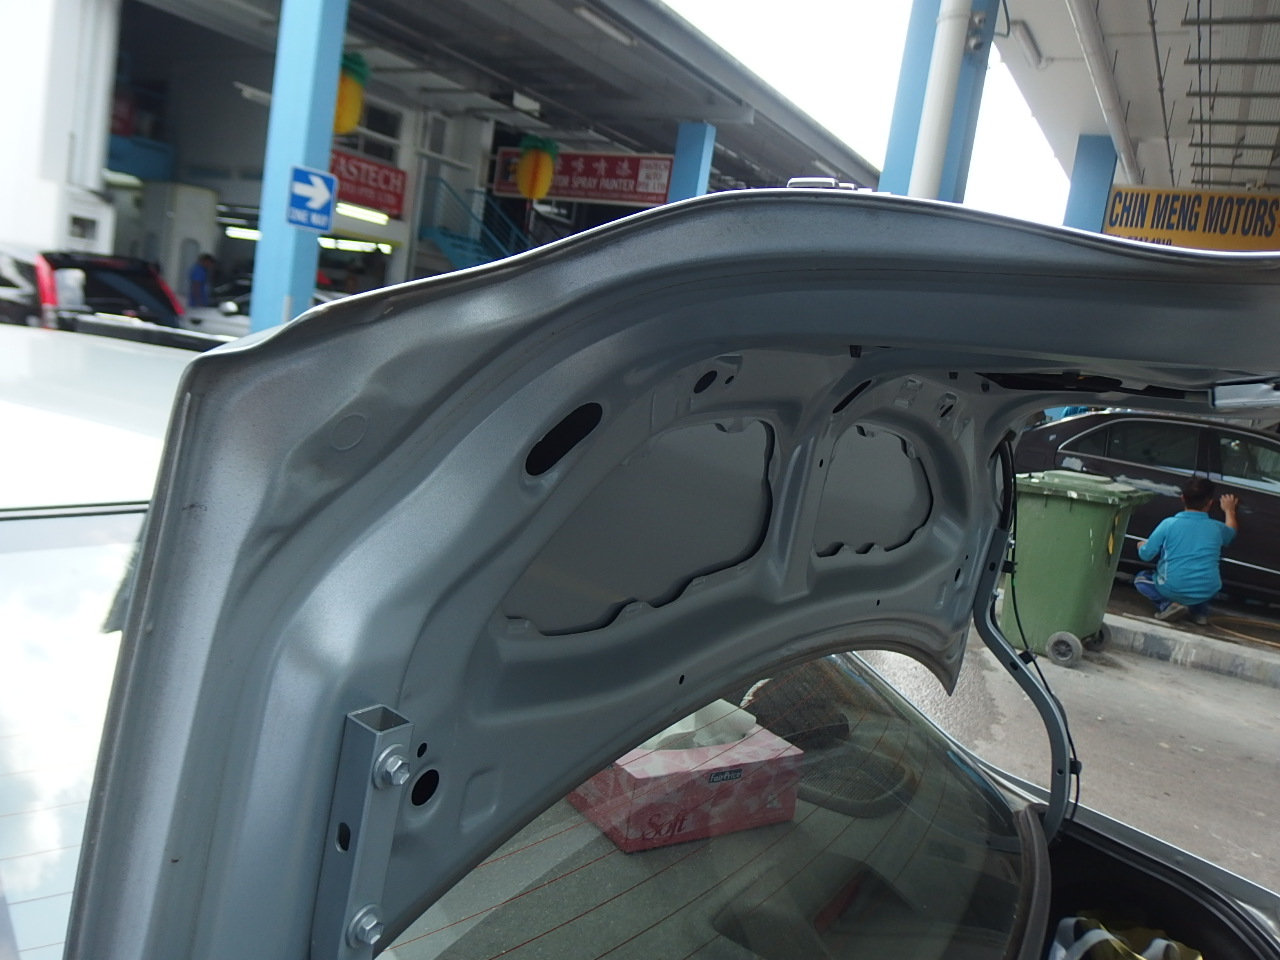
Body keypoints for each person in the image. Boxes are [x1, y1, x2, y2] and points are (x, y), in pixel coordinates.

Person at [1135, 478, 1239, 625]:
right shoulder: (1217, 528)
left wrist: (1141, 546)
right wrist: (1230, 510)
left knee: (1141, 579)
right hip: (1208, 589)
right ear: (1210, 503)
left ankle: (1168, 606)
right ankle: (1199, 613)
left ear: (1182, 498)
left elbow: (1146, 555)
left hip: (1173, 588)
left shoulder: (1169, 524)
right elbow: (1231, 532)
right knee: (1198, 582)